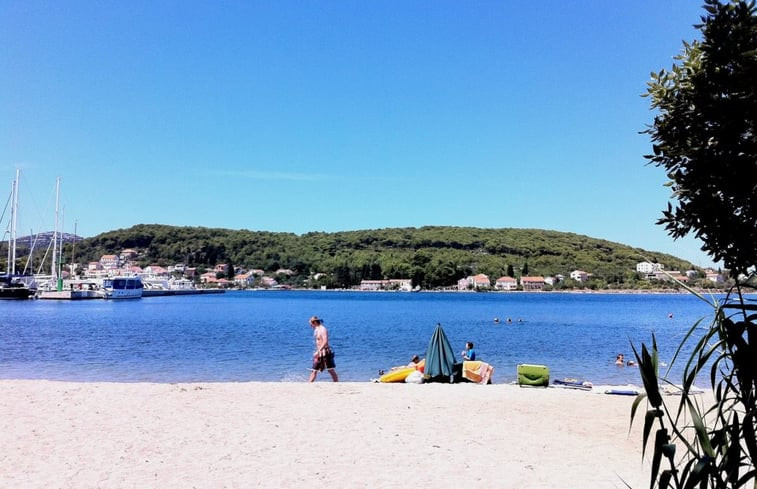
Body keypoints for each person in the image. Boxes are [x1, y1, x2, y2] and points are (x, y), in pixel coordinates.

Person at [308, 316, 338, 382]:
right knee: (314, 370)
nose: (311, 326)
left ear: (315, 322)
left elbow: (325, 341)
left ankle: (337, 384)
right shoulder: (317, 330)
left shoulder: (323, 329)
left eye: (311, 324)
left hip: (325, 352)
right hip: (319, 353)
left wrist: (318, 351)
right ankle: (309, 385)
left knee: (331, 370)